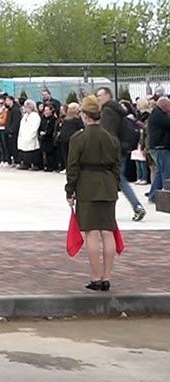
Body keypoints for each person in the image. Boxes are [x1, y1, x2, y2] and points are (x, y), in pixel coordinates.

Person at [66, 95, 121, 291]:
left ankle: (96, 277)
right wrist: (115, 185)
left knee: (91, 232)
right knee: (108, 232)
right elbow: (117, 165)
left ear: (86, 116)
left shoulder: (78, 138)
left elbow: (72, 167)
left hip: (87, 186)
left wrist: (69, 190)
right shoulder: (111, 138)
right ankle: (107, 277)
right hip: (108, 186)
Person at [96, 87, 147, 221]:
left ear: (108, 95)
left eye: (100, 95)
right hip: (121, 149)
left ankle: (136, 206)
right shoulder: (118, 109)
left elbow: (107, 133)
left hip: (112, 151)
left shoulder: (108, 111)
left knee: (115, 180)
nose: (98, 98)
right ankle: (134, 206)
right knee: (118, 179)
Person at [39, 101, 60, 172]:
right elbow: (40, 127)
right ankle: (46, 165)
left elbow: (52, 129)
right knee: (45, 153)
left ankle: (52, 166)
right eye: (45, 110)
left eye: (47, 110)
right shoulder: (43, 119)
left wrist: (46, 133)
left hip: (49, 138)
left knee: (50, 153)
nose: (46, 112)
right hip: (43, 138)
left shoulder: (53, 119)